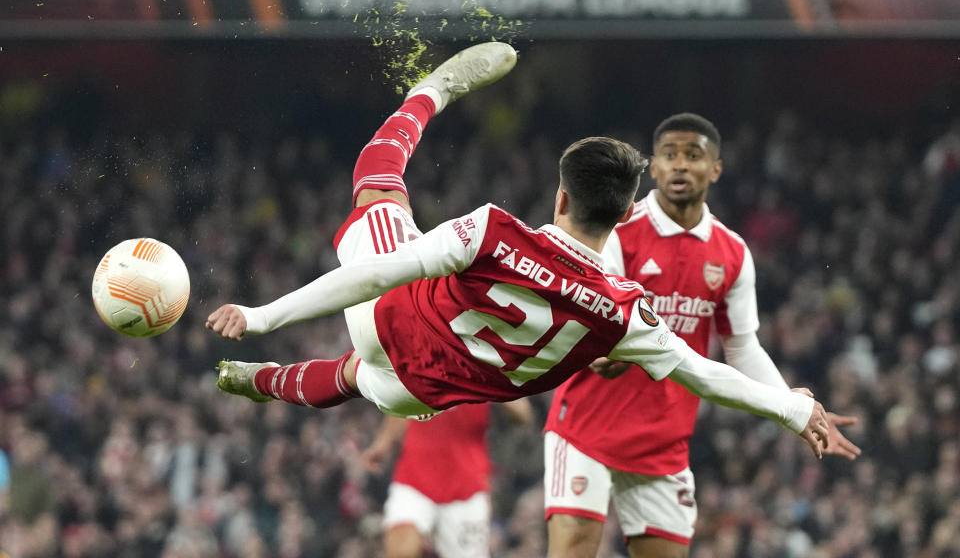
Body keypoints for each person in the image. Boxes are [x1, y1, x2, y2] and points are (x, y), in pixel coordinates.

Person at [205, 42, 831, 466]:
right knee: (352, 378)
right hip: (423, 394)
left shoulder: (495, 233)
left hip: (389, 327)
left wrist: (262, 316)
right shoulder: (624, 313)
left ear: (560, 197)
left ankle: (433, 92)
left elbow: (371, 275)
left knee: (377, 181)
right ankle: (256, 381)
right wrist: (790, 406)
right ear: (625, 216)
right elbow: (706, 372)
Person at [542, 112, 862, 558]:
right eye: (669, 155)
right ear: (652, 168)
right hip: (585, 427)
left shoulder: (731, 251)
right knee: (573, 548)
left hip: (664, 440)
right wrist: (601, 349)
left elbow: (743, 347)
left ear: (715, 168)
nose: (680, 165)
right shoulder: (619, 228)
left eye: (693, 156)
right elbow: (598, 327)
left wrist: (792, 404)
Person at [360, 399, 533, 558]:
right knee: (401, 551)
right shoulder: (420, 365)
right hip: (415, 478)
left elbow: (523, 414)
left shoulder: (484, 367)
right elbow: (402, 401)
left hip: (466, 489)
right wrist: (382, 444)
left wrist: (495, 384)